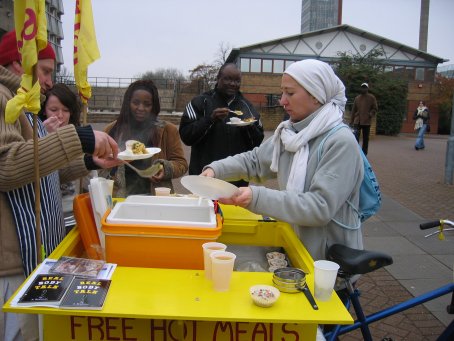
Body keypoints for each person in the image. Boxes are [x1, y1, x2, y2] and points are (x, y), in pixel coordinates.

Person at [0, 30, 121, 341]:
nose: (50, 81)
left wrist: (92, 161)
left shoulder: (25, 103)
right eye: (45, 71)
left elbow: (43, 169)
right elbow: (7, 166)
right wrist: (78, 137)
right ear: (17, 64)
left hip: (32, 251)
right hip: (12, 258)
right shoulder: (3, 99)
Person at [201, 59, 364, 263]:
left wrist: (255, 197)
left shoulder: (340, 142)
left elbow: (319, 207)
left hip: (326, 260)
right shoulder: (290, 133)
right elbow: (255, 161)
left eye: (290, 93)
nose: (282, 100)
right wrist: (216, 170)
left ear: (316, 95)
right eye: (282, 92)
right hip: (294, 245)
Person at [179, 63, 264, 187]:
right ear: (218, 78)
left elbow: (257, 143)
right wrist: (210, 119)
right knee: (207, 207)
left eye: (237, 80)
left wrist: (248, 126)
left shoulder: (247, 107)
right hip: (204, 177)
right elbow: (186, 136)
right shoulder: (200, 102)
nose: (233, 84)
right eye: (228, 79)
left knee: (232, 206)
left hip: (237, 180)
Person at [101, 79, 188, 196]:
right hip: (121, 198)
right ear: (128, 103)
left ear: (154, 106)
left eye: (147, 104)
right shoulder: (112, 129)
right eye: (135, 102)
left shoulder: (167, 130)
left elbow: (181, 164)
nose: (140, 108)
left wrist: (164, 168)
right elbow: (100, 166)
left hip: (156, 197)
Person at [38, 83, 82, 228]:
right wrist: (44, 136)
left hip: (75, 214)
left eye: (66, 110)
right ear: (44, 110)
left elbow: (89, 181)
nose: (60, 116)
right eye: (54, 110)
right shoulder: (33, 136)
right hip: (47, 218)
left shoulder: (79, 136)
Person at [350, 82, 378, 155]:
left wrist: (370, 114)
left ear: (367, 88)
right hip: (357, 121)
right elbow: (353, 110)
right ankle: (355, 153)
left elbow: (375, 108)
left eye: (365, 87)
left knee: (366, 139)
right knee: (355, 138)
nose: (363, 89)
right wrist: (351, 121)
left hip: (366, 121)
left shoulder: (371, 97)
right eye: (362, 87)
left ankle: (364, 154)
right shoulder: (357, 98)